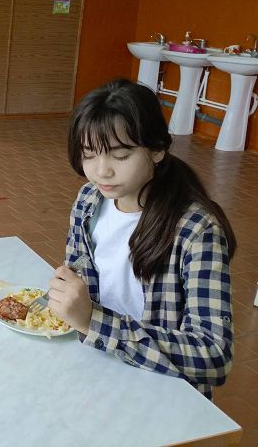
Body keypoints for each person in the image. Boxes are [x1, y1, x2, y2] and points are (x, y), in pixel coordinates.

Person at [49, 79, 236, 398]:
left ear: (157, 149)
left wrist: (94, 321)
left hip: (161, 387)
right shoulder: (88, 201)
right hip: (98, 365)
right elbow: (78, 277)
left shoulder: (196, 231)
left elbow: (213, 355)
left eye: (120, 156)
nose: (102, 171)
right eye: (89, 155)